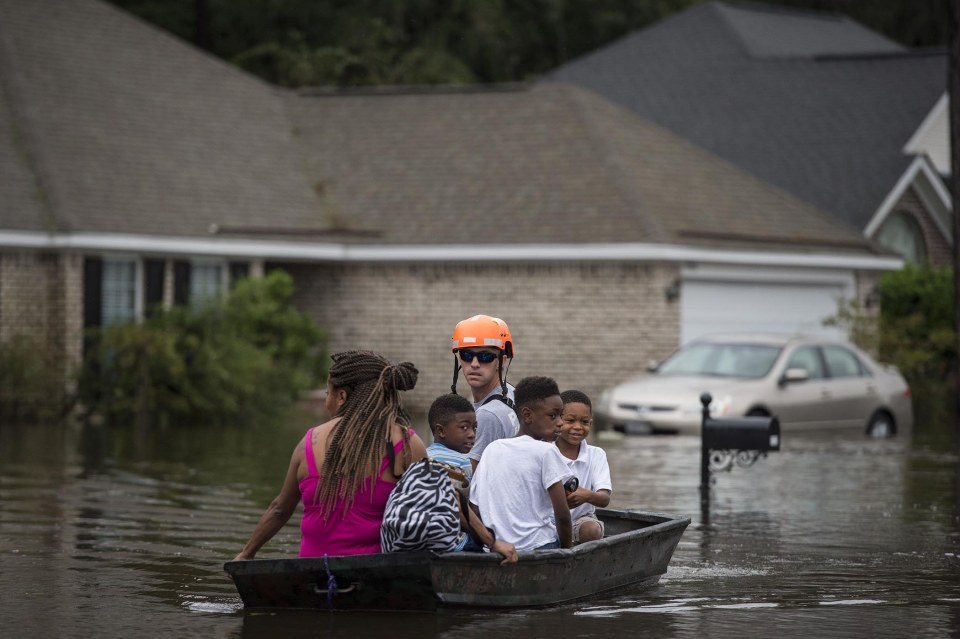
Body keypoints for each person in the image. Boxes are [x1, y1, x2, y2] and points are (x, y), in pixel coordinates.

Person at [232, 350, 427, 560]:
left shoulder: (308, 443)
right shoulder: (409, 445)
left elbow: (280, 510)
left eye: (328, 394)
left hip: (312, 575)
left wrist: (246, 553)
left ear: (341, 396)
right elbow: (428, 510)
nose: (327, 401)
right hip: (376, 576)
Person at [469, 376, 573, 551]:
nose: (561, 423)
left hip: (496, 550)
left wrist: (489, 545)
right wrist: (567, 553)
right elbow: (562, 515)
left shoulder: (492, 449)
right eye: (552, 416)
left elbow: (474, 508)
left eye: (561, 416)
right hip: (539, 547)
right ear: (527, 415)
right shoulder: (546, 451)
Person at [449, 314, 519, 472]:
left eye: (485, 356)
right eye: (466, 355)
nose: (474, 364)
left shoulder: (488, 415)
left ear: (502, 361)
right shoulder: (511, 393)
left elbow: (467, 479)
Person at [556, 390, 612, 544]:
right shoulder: (546, 452)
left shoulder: (596, 454)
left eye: (584, 422)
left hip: (581, 520)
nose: (578, 427)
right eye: (570, 420)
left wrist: (587, 496)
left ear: (591, 424)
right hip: (549, 522)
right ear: (558, 420)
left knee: (590, 530)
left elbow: (604, 498)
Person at [425, 393, 476, 482]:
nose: (472, 434)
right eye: (464, 427)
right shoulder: (466, 463)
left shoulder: (423, 457)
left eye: (474, 427)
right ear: (441, 431)